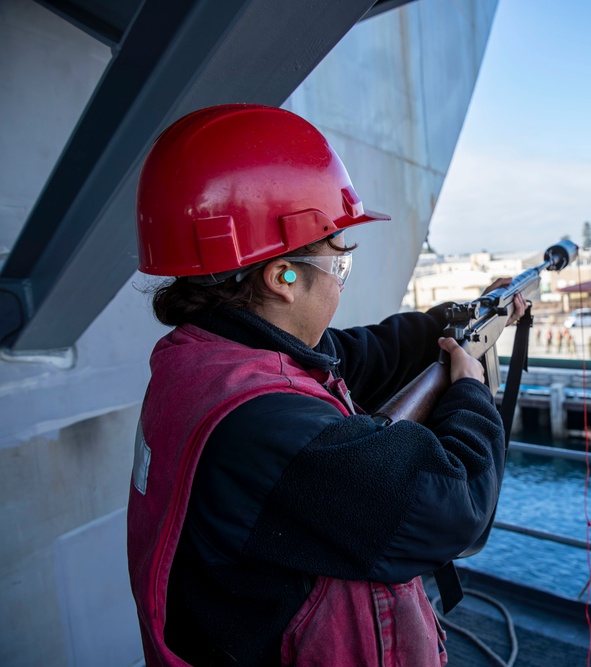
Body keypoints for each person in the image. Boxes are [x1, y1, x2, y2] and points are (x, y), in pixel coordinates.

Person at [126, 104, 524, 667]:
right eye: (340, 266)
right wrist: (470, 389)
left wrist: (459, 316)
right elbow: (453, 508)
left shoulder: (209, 360)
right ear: (281, 278)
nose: (341, 282)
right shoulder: (267, 426)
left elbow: (362, 352)